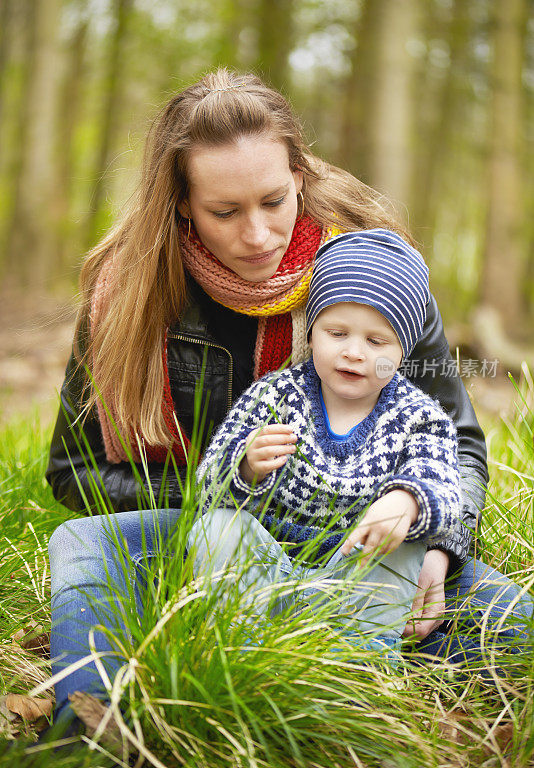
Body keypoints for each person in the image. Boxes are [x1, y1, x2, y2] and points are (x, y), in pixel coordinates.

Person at [46, 68, 531, 728]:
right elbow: (73, 472)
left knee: (515, 627)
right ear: (182, 203)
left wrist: (437, 540)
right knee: (85, 544)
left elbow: (457, 440)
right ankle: (91, 730)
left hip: (366, 539)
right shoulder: (124, 293)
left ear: (300, 175)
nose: (258, 235)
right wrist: (233, 486)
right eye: (225, 212)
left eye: (274, 201)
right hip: (204, 533)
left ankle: (342, 666)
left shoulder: (376, 270)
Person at [189, 230, 461, 655]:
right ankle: (240, 652)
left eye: (376, 341)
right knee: (218, 528)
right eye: (337, 333)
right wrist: (244, 466)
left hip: (354, 578)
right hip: (269, 570)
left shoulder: (419, 417)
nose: (354, 352)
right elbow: (206, 490)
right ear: (311, 332)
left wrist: (407, 501)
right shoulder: (274, 397)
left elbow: (443, 485)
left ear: (402, 351)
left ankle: (355, 663)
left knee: (404, 547)